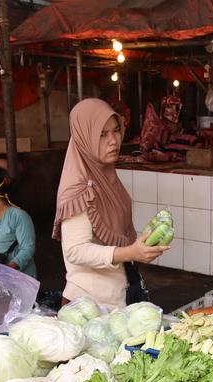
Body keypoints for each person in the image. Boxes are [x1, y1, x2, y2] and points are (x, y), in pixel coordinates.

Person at [53, 99, 168, 310]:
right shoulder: (78, 187)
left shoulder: (107, 177)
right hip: (88, 306)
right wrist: (130, 253)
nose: (113, 140)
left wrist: (141, 244)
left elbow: (116, 236)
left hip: (116, 298)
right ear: (84, 137)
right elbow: (75, 251)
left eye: (115, 131)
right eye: (101, 134)